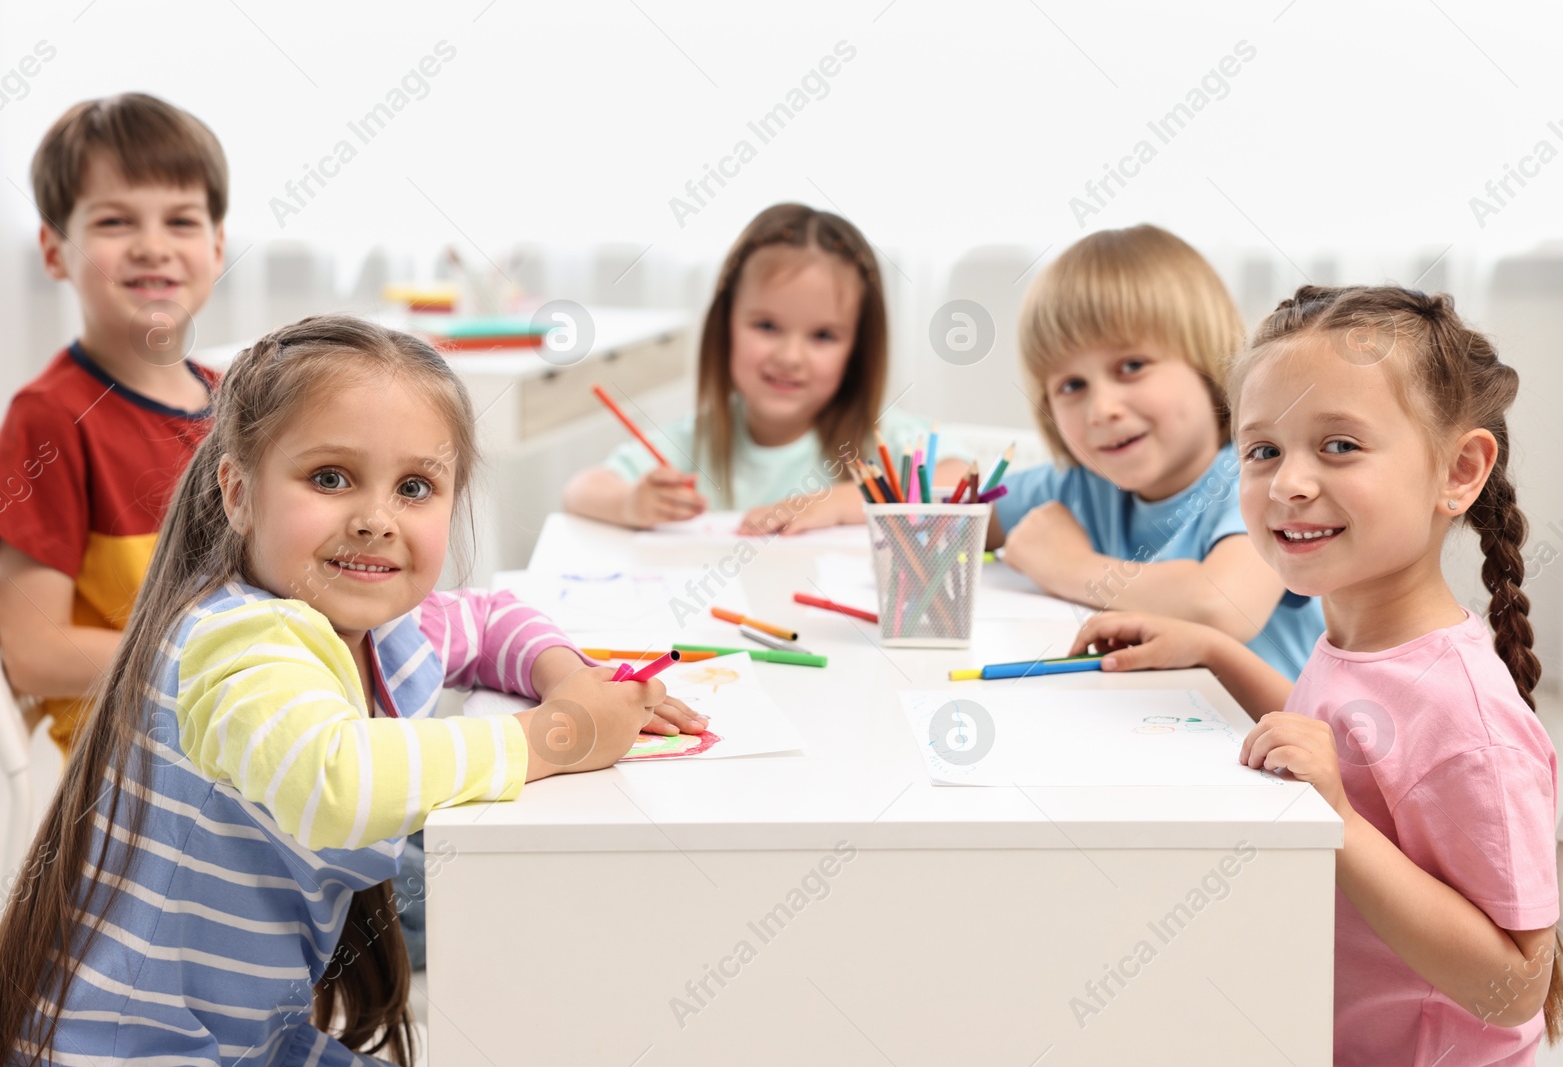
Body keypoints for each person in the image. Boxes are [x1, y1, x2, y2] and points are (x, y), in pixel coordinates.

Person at [0, 315, 703, 1065]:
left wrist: (571, 678)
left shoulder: (382, 632)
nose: (376, 519)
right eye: (330, 478)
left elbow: (487, 619)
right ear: (238, 492)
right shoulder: (236, 640)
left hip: (247, 1038)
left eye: (415, 487)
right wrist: (559, 733)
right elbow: (333, 778)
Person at [1071, 285, 1560, 1063]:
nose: (1290, 482)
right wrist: (1216, 650)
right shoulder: (1361, 639)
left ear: (1458, 470)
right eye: (1263, 449)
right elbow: (1348, 751)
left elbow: (1518, 989)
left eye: (1339, 445)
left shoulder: (1467, 717)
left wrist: (1341, 818)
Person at [0, 93, 228, 754]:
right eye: (114, 221)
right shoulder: (52, 419)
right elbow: (35, 653)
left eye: (181, 220)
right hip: (139, 766)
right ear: (54, 250)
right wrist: (220, 665)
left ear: (217, 246)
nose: (152, 246)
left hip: (244, 736)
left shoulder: (239, 404)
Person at [988, 224, 1324, 680]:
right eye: (1072, 385)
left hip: (1270, 740)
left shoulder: (1256, 479)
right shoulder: (1082, 485)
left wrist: (1066, 566)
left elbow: (1222, 606)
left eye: (1131, 366)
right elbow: (950, 510)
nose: (1101, 409)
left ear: (1207, 362)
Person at [564, 202, 967, 534]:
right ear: (725, 328)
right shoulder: (696, 442)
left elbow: (963, 482)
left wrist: (840, 502)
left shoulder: (880, 440)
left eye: (823, 336)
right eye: (767, 326)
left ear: (857, 350)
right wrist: (632, 503)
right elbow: (581, 490)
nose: (790, 357)